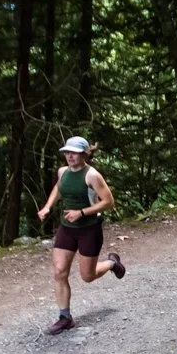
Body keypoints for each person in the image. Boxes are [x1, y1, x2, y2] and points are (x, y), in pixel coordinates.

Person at [36, 136, 125, 335]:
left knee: (87, 276)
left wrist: (82, 212)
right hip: (67, 228)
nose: (69, 156)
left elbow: (109, 202)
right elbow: (59, 187)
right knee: (59, 272)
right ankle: (65, 318)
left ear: (84, 154)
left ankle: (112, 263)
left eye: (74, 153)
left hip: (89, 229)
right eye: (67, 152)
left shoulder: (92, 175)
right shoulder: (63, 172)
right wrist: (47, 207)